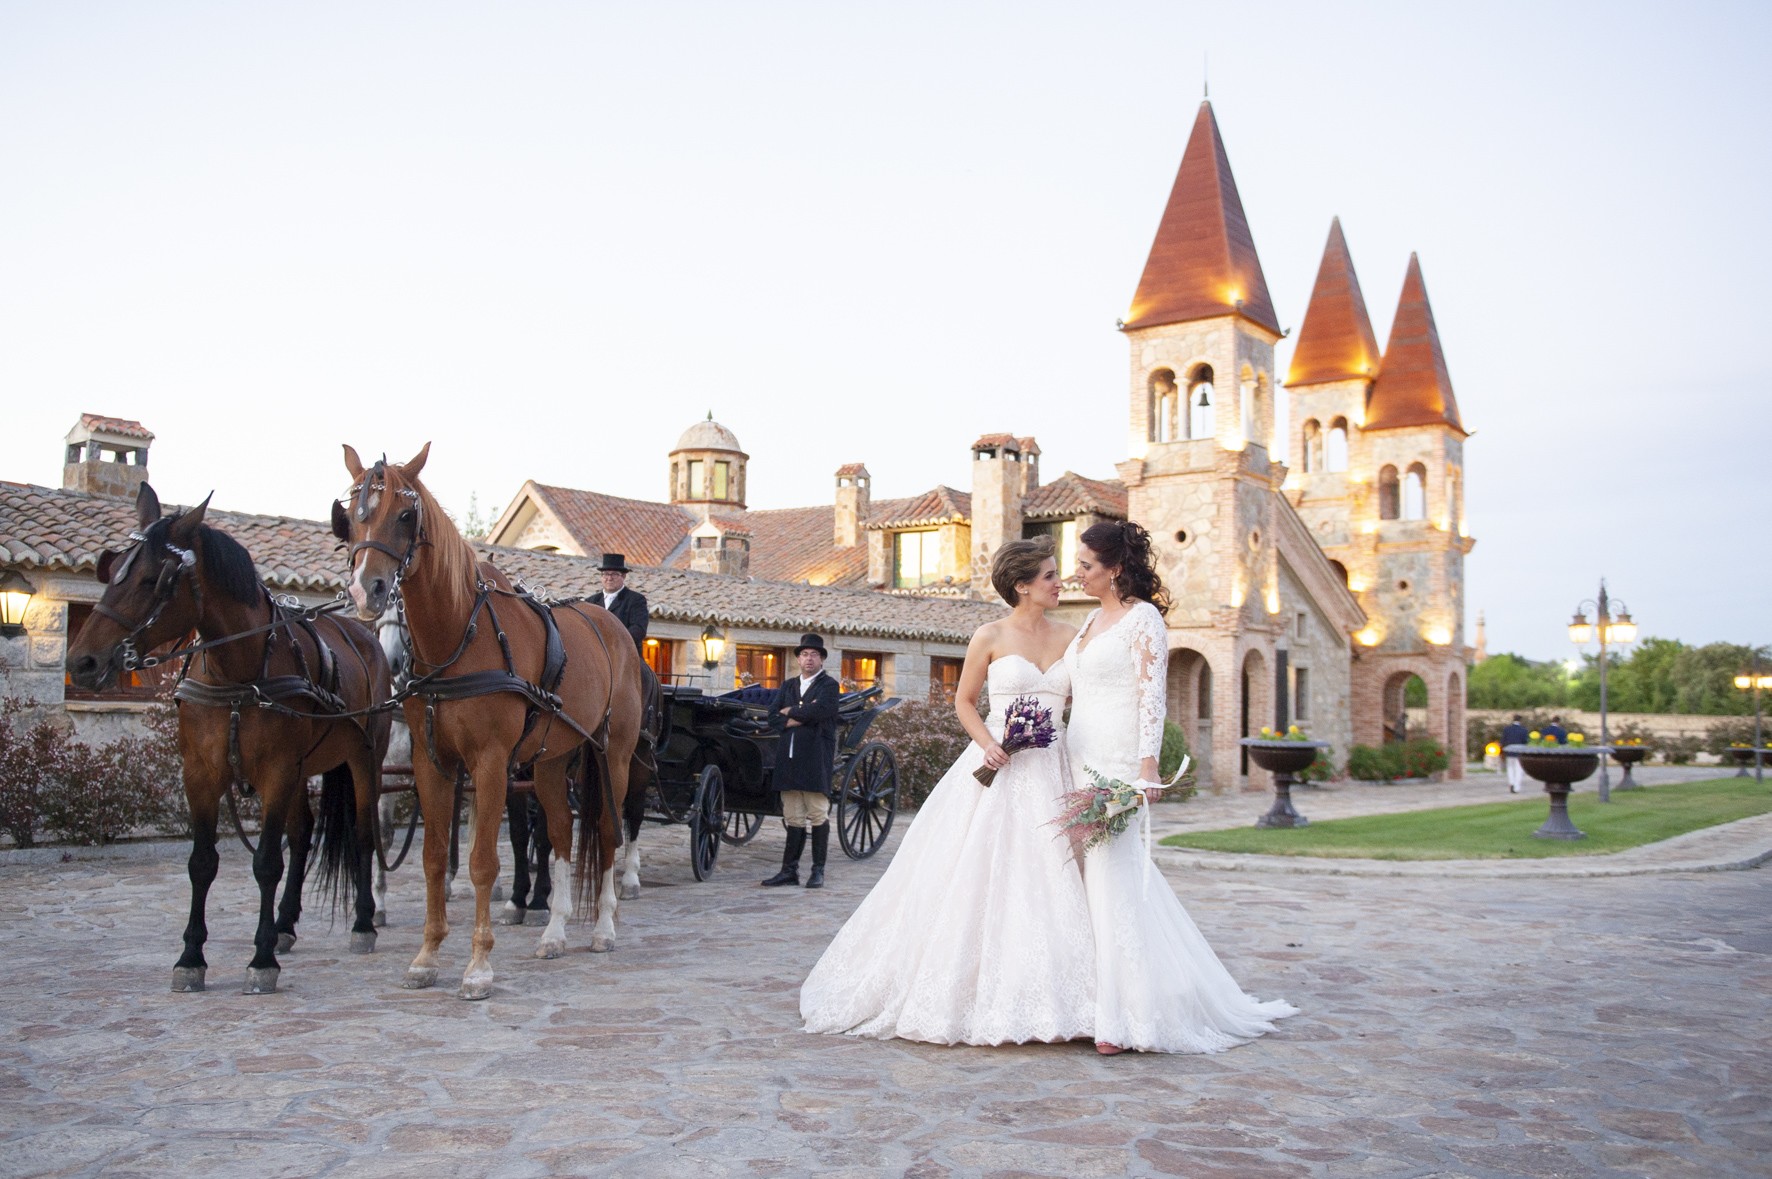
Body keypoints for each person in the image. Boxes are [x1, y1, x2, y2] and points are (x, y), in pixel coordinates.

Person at [800, 538, 1096, 1044]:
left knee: (1058, 873)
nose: (1059, 581)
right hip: (998, 764)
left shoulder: (1074, 636)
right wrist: (988, 745)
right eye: (1049, 575)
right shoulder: (990, 635)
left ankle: (1070, 996)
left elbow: (1091, 700)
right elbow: (964, 701)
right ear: (1023, 585)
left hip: (1056, 765)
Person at [1065, 520, 1297, 1055]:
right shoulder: (1090, 622)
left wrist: (1148, 767)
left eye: (1085, 566)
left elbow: (1153, 694)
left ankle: (1126, 1017)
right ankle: (1093, 1001)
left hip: (1118, 763)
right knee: (1087, 882)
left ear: (1115, 569)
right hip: (1078, 755)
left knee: (1114, 877)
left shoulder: (1142, 618)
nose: (1078, 574)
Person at [761, 634, 842, 889]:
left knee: (817, 812)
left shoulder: (829, 686)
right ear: (798, 658)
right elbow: (772, 717)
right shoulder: (787, 686)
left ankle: (817, 871)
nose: (809, 659)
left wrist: (791, 713)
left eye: (814, 654)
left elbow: (822, 710)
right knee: (792, 815)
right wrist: (801, 715)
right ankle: (789, 871)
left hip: (815, 757)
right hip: (788, 758)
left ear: (821, 659)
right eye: (805, 654)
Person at [587, 553, 648, 655]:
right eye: (606, 574)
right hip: (597, 655)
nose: (609, 578)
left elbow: (638, 630)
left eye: (614, 574)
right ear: (601, 577)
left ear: (623, 576)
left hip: (627, 656)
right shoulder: (590, 602)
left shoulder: (636, 600)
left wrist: (612, 641)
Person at [1500, 715, 1529, 792]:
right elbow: (1525, 742)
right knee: (1518, 770)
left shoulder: (1507, 729)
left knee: (1510, 768)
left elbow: (1503, 741)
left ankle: (1511, 783)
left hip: (1509, 751)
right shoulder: (1524, 730)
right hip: (1519, 752)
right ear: (1520, 720)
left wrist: (1502, 751)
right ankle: (1516, 787)